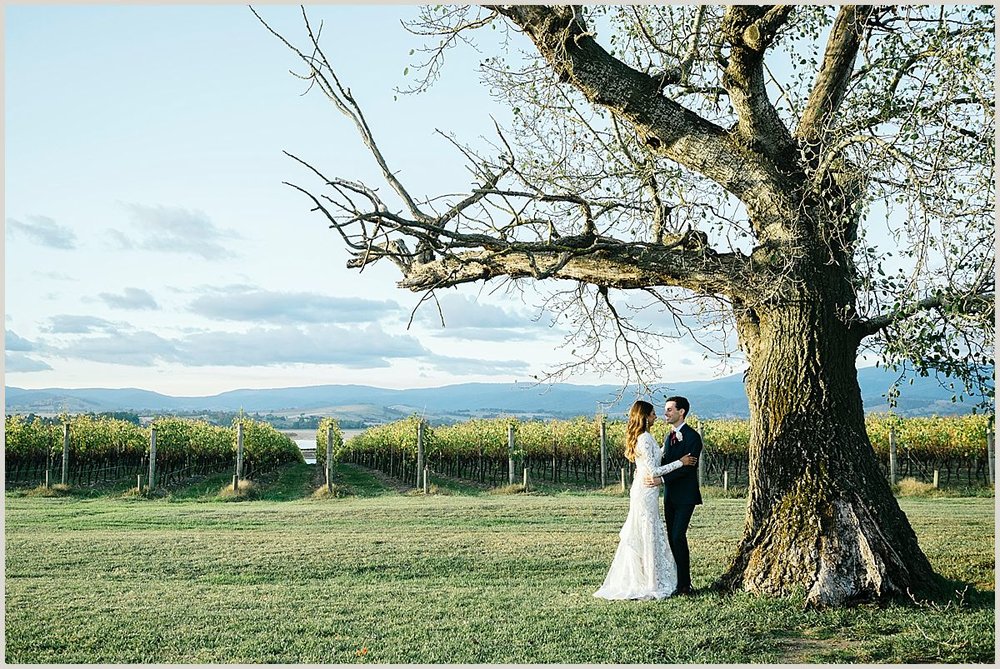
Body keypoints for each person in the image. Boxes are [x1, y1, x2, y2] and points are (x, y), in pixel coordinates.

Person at [594, 400, 698, 600]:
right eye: (652, 413)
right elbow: (653, 471)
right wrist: (681, 461)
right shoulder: (644, 438)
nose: (657, 416)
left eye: (665, 410)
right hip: (646, 491)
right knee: (647, 531)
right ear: (644, 416)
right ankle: (649, 581)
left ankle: (653, 577)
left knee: (648, 531)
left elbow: (653, 460)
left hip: (647, 491)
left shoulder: (647, 438)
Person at [645, 396, 702, 595]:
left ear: (681, 412)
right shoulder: (669, 437)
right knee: (671, 538)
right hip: (669, 497)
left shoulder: (693, 437)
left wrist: (662, 480)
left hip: (686, 496)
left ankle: (685, 584)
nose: (665, 413)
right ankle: (677, 581)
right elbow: (665, 463)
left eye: (669, 410)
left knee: (678, 536)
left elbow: (688, 468)